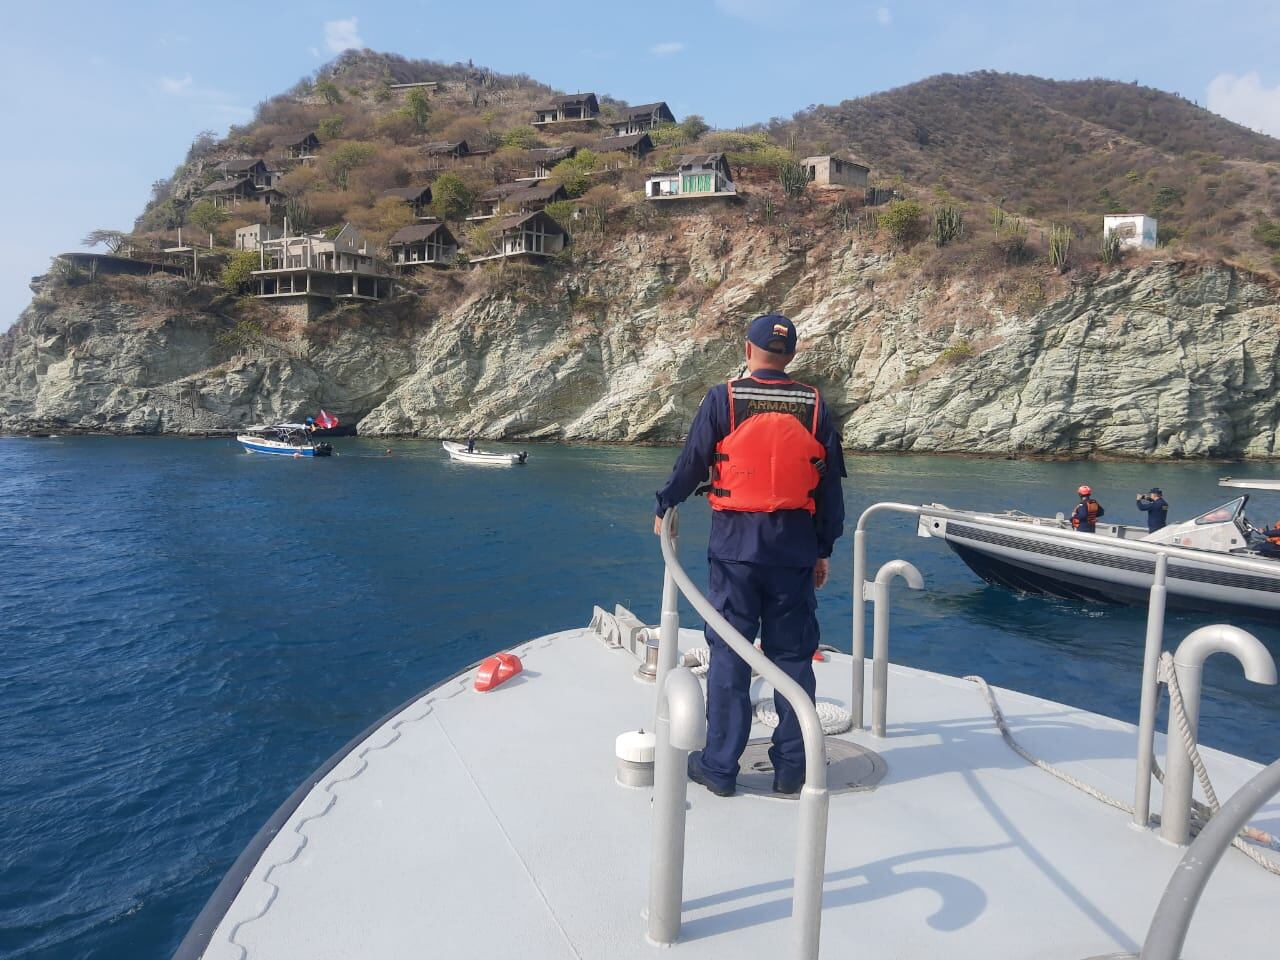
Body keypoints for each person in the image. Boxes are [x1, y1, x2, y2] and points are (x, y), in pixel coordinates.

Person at [653, 314, 846, 798]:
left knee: (730, 657)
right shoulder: (816, 405)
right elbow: (829, 489)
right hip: (795, 549)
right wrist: (823, 549)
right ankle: (792, 771)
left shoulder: (724, 398)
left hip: (736, 550)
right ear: (792, 356)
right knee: (793, 658)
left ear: (747, 349)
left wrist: (665, 504)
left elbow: (693, 462)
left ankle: (719, 769)